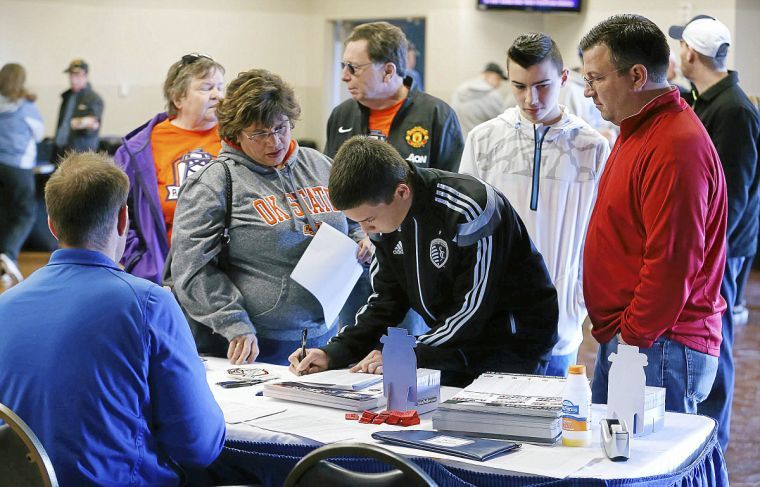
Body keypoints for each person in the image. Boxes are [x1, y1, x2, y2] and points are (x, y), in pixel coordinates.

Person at [0, 152, 225, 485]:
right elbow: (199, 446)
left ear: (50, 223)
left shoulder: (6, 304)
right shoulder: (149, 303)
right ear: (123, 220)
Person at [289, 136, 559, 387]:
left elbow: (474, 305)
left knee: (492, 430)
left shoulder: (467, 207)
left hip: (512, 342)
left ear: (402, 192)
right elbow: (386, 299)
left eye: (368, 219)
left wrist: (408, 351)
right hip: (455, 341)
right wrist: (334, 351)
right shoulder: (385, 223)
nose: (366, 230)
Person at [170, 69, 372, 366]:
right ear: (235, 132)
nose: (273, 142)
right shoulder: (216, 182)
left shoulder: (319, 165)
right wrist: (233, 322)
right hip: (254, 342)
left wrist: (361, 237)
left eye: (281, 128)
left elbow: (353, 218)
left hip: (326, 334)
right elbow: (191, 268)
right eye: (260, 134)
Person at [580, 14, 727, 414]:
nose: (589, 91)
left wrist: (633, 337)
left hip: (660, 345)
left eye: (595, 78)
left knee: (650, 472)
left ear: (637, 75)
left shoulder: (675, 145)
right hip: (641, 341)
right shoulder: (639, 129)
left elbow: (672, 262)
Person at [459, 33, 610, 377]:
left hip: (563, 321)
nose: (531, 98)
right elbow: (465, 227)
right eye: (519, 86)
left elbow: (599, 235)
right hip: (494, 320)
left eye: (542, 86)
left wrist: (577, 301)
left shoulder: (592, 147)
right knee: (491, 423)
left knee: (553, 422)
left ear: (563, 79)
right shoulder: (483, 140)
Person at [326, 21, 464, 333]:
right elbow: (336, 189)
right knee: (355, 346)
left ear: (389, 71)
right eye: (343, 66)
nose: (344, 75)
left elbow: (447, 197)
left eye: (354, 67)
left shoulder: (436, 115)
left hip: (412, 262)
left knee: (404, 356)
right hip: (355, 262)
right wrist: (357, 233)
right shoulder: (342, 116)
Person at [670, 14, 760, 450]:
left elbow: (735, 196)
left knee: (715, 339)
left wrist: (708, 254)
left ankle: (713, 438)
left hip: (721, 249)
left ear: (689, 52)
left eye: (679, 47)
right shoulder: (704, 100)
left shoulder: (735, 110)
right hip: (710, 247)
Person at [114, 53, 225, 284]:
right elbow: (118, 214)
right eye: (206, 88)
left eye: (220, 87)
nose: (218, 95)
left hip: (224, 277)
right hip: (164, 276)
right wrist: (141, 262)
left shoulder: (236, 140)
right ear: (178, 98)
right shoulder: (138, 149)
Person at [0, 63, 44, 288]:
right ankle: (8, 253)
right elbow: (39, 133)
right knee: (26, 213)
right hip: (18, 166)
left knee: (5, 212)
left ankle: (4, 258)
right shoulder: (24, 105)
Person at [53, 59, 103, 155]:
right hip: (62, 149)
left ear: (85, 75)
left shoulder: (94, 99)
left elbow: (93, 123)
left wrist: (76, 123)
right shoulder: (67, 96)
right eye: (71, 75)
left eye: (77, 75)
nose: (73, 79)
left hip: (81, 153)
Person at [451, 62, 509, 137]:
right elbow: (503, 122)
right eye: (498, 79)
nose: (499, 84)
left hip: (460, 140)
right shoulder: (492, 94)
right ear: (489, 76)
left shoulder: (459, 90)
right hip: (482, 142)